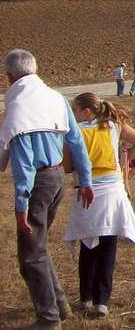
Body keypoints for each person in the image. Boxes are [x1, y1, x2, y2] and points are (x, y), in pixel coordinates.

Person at [1, 49, 94, 329]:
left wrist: (21, 205)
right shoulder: (56, 98)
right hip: (56, 179)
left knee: (30, 255)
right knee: (38, 247)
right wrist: (85, 179)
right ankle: (61, 306)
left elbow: (24, 163)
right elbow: (76, 141)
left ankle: (49, 319)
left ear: (9, 77)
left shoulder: (17, 109)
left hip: (37, 183)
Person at [63, 93, 135, 320]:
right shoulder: (115, 125)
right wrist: (124, 162)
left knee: (88, 246)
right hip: (112, 191)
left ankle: (86, 297)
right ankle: (102, 301)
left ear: (86, 111)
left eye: (75, 110)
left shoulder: (75, 132)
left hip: (86, 192)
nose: (74, 114)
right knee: (108, 247)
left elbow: (68, 167)